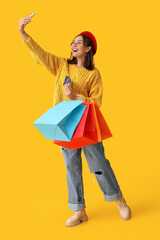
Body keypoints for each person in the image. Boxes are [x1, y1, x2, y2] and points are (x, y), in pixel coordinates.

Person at [19, 15, 131, 227]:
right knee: (72, 167)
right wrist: (24, 34)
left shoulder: (94, 74)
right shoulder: (62, 65)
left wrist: (76, 97)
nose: (74, 45)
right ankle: (79, 210)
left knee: (98, 163)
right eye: (73, 42)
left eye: (79, 42)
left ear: (88, 48)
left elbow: (96, 101)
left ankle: (119, 200)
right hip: (63, 124)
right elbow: (41, 54)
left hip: (86, 124)